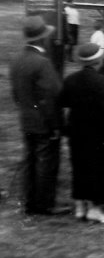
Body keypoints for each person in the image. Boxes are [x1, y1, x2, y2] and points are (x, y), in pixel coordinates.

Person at [59, 43, 104, 224]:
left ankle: (79, 206)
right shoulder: (103, 82)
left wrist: (66, 128)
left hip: (76, 132)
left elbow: (61, 104)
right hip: (97, 134)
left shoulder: (70, 79)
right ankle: (94, 209)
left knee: (79, 167)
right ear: (97, 60)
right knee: (97, 170)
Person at [10, 16, 65, 216]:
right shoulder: (42, 63)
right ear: (43, 39)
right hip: (43, 122)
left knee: (30, 161)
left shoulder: (16, 60)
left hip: (26, 120)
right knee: (45, 164)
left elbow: (16, 95)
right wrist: (56, 125)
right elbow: (51, 97)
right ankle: (45, 205)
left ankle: (29, 203)